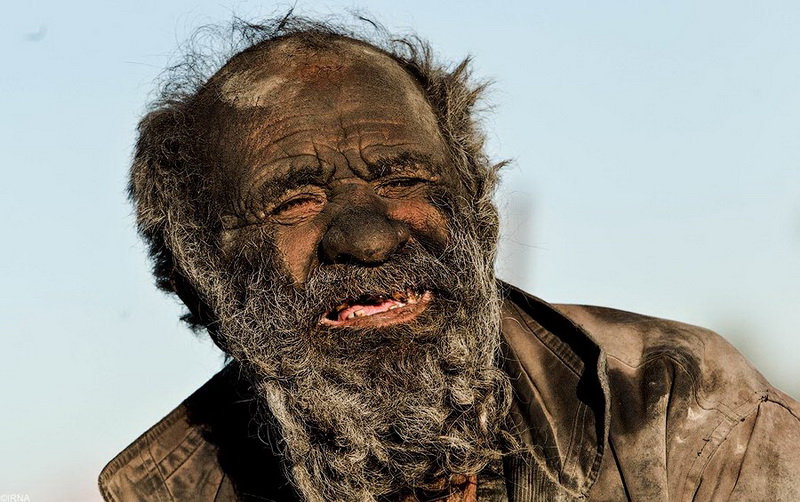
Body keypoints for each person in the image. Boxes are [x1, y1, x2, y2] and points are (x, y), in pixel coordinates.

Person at [99, 16, 800, 502]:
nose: (370, 239)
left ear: (477, 216)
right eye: (295, 201)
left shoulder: (681, 409)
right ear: (199, 278)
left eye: (403, 181)